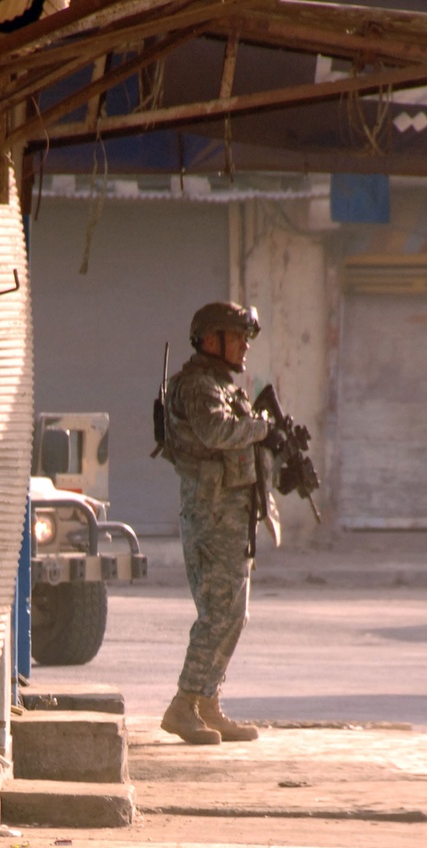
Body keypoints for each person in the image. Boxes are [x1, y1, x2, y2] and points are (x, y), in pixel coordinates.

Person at [160, 301, 273, 746]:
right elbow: (216, 433)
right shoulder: (197, 386)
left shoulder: (223, 386)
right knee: (219, 613)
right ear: (211, 340)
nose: (245, 346)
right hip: (211, 514)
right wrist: (260, 428)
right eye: (237, 336)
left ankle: (207, 703)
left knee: (234, 615)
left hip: (232, 512)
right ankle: (183, 705)